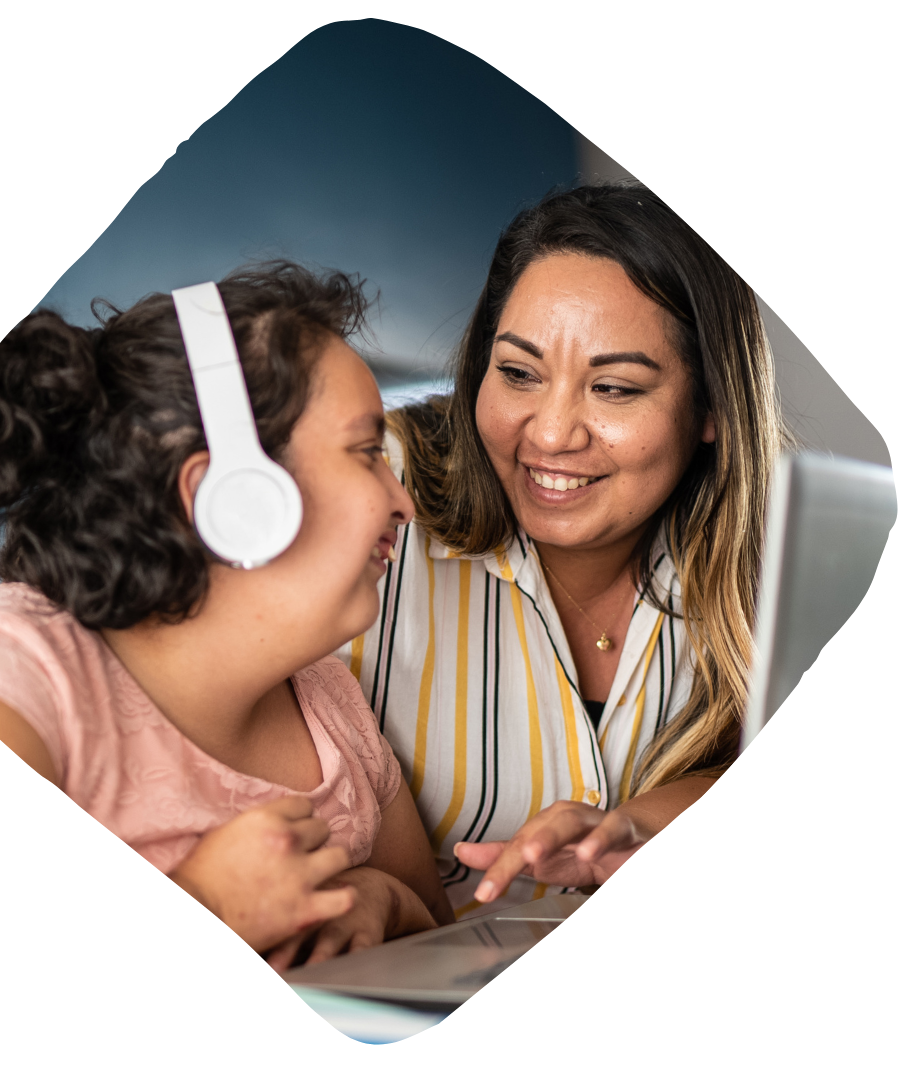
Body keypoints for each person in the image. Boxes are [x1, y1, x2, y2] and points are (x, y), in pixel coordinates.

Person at [0, 262, 455, 1075]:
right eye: (368, 452)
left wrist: (378, 901)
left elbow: (435, 936)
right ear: (232, 497)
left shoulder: (328, 697)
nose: (403, 504)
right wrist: (200, 920)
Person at [335, 184, 793, 918]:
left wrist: (643, 824)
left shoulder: (777, 558)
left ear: (711, 408)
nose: (550, 434)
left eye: (612, 389)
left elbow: (789, 789)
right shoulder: (369, 489)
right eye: (517, 373)